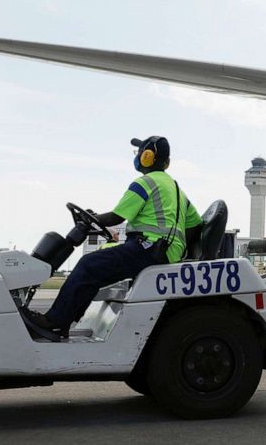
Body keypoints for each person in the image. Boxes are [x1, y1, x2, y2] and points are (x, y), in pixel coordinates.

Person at [25, 136, 203, 339]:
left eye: (140, 153)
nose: (137, 157)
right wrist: (177, 250)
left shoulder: (146, 183)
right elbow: (195, 224)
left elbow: (115, 217)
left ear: (147, 157)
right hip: (162, 251)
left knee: (88, 264)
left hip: (148, 248)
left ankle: (55, 322)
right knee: (96, 272)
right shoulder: (177, 189)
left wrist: (89, 219)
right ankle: (62, 322)